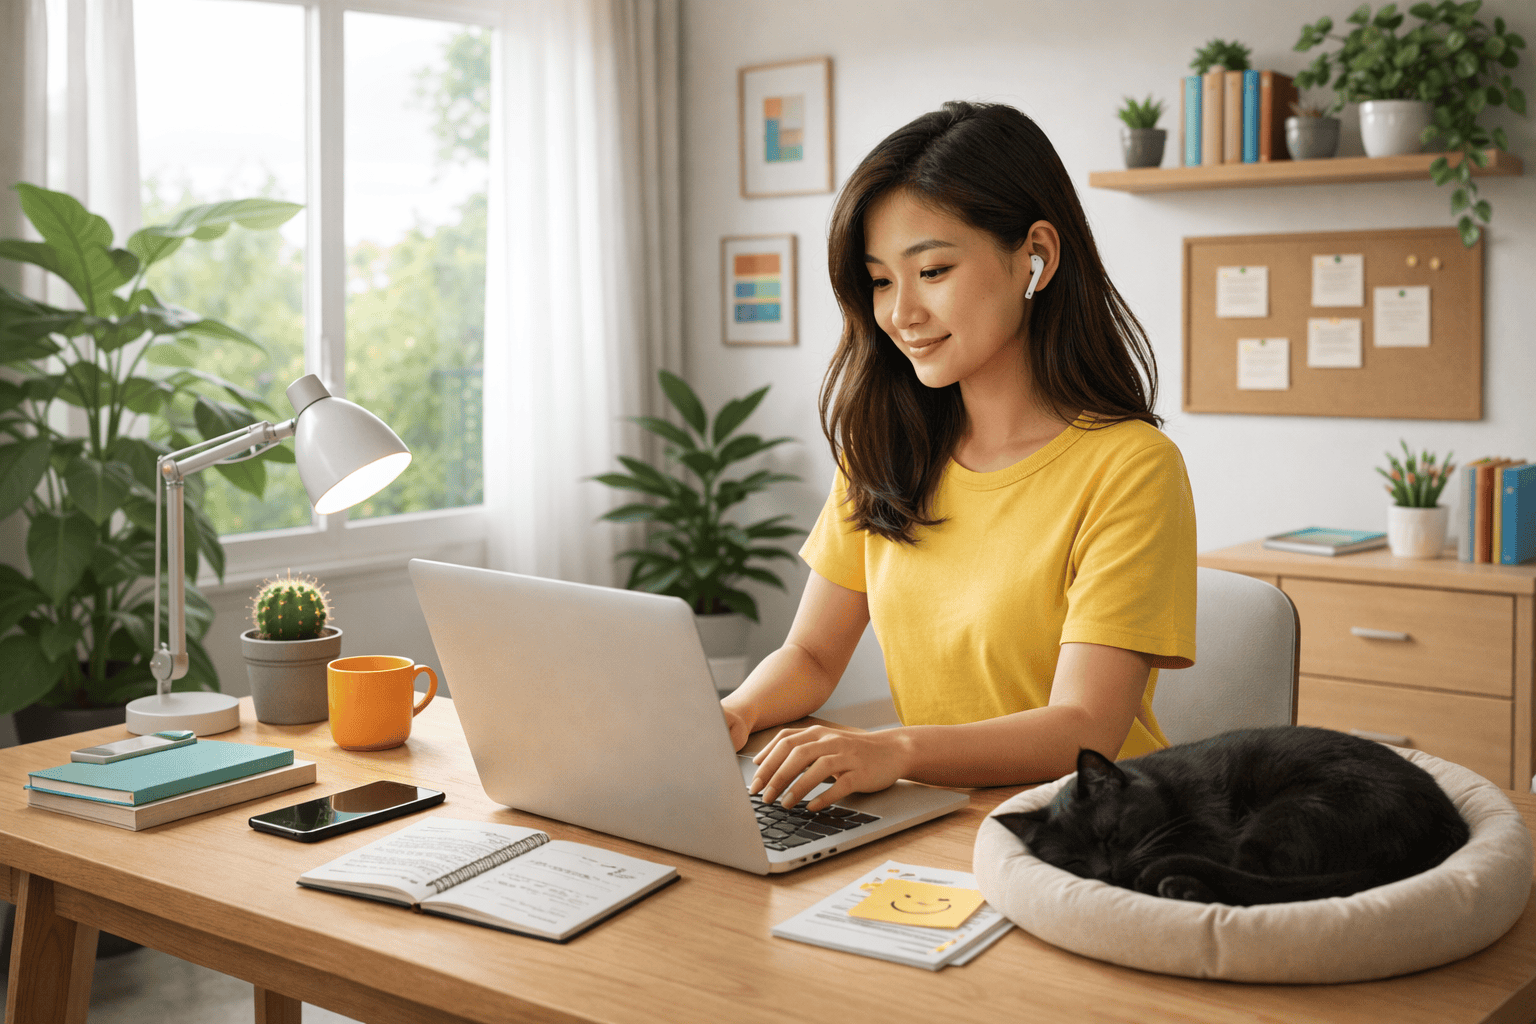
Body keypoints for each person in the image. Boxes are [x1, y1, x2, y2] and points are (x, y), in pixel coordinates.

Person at [719, 100, 1197, 813]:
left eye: (933, 270)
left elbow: (1085, 728)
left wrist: (895, 749)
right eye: (881, 281)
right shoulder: (883, 449)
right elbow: (813, 657)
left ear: (1036, 256)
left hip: (1091, 831)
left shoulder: (1130, 467)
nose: (900, 314)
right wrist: (736, 712)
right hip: (935, 818)